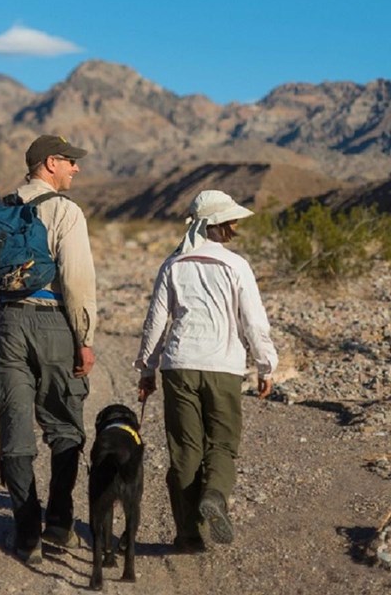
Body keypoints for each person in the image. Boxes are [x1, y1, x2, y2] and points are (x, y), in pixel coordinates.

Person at [134, 189, 278, 553]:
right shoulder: (237, 266)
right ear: (220, 225)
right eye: (231, 221)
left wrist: (147, 369)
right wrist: (266, 366)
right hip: (224, 368)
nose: (234, 227)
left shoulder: (172, 265)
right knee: (223, 444)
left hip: (179, 366)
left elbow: (155, 323)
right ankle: (215, 494)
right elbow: (254, 323)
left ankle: (187, 536)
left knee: (184, 450)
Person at [0, 134, 97, 565]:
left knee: (15, 424)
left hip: (8, 321)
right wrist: (84, 339)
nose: (76, 169)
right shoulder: (64, 211)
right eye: (70, 161)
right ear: (50, 164)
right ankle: (60, 523)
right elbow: (78, 281)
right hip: (52, 321)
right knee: (64, 422)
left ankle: (25, 528)